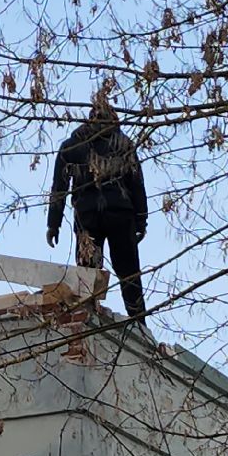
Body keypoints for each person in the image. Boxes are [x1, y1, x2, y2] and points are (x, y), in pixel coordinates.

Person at [46, 95, 148, 321]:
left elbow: (59, 189)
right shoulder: (123, 145)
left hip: (87, 216)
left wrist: (53, 224)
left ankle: (87, 314)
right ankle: (139, 322)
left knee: (87, 273)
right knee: (129, 273)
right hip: (120, 215)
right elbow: (137, 186)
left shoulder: (72, 145)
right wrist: (141, 220)